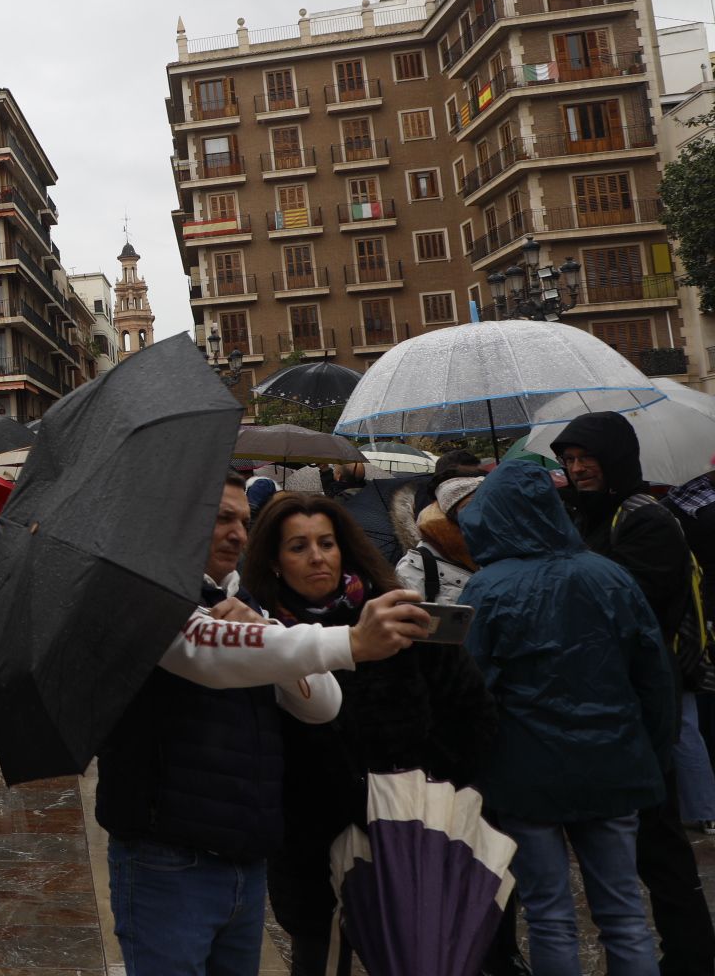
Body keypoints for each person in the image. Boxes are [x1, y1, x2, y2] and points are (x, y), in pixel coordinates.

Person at [95, 472, 432, 975]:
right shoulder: (143, 592)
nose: (237, 533)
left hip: (243, 857)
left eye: (245, 522)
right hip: (167, 859)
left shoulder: (243, 601)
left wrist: (266, 631)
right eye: (221, 518)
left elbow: (321, 704)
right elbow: (201, 651)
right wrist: (351, 643)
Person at [243, 492, 495, 975]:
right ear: (274, 563)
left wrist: (430, 785)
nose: (317, 556)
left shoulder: (400, 618)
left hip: (408, 832)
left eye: (326, 543)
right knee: (320, 956)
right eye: (298, 547)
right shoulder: (267, 639)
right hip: (312, 844)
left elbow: (472, 714)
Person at [459, 459, 676, 975]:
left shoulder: (487, 589)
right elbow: (654, 675)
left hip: (525, 775)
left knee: (549, 915)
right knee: (624, 913)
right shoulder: (610, 576)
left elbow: (470, 691)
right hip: (613, 763)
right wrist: (652, 753)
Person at [550, 411, 715, 976]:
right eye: (569, 462)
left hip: (645, 697)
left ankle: (691, 953)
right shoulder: (581, 516)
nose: (576, 470)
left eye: (585, 460)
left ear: (616, 459)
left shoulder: (647, 520)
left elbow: (624, 607)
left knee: (659, 839)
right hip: (604, 697)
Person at [394, 474, 485, 604]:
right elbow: (405, 620)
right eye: (468, 507)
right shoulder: (414, 568)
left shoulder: (492, 554)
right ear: (449, 516)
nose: (479, 514)